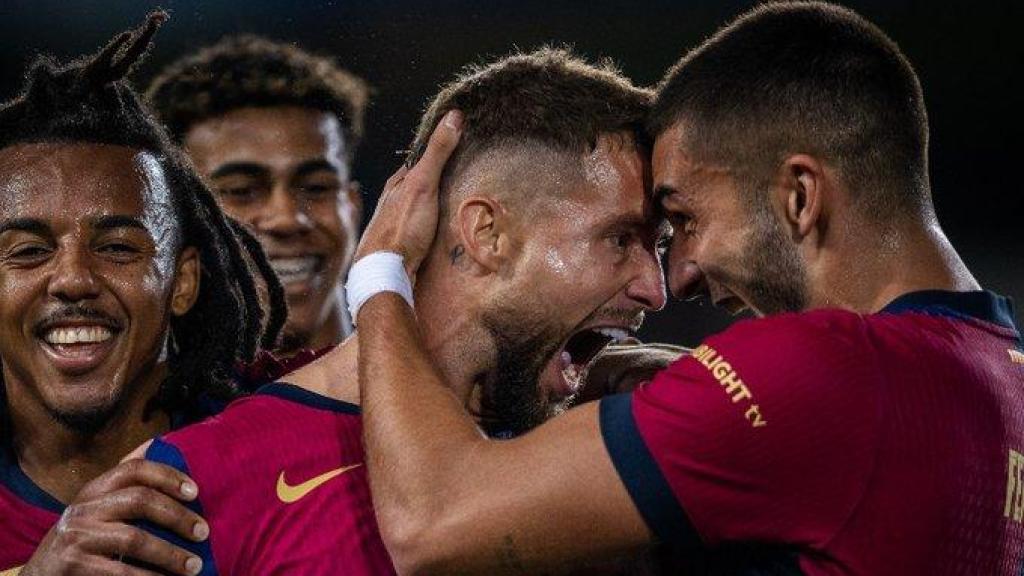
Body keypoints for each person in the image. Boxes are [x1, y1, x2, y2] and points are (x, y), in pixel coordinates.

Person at [349, 3, 1024, 575]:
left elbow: (431, 522)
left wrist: (380, 275)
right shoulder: (997, 369)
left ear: (799, 195)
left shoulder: (825, 370)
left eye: (685, 219)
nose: (681, 274)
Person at [137, 47, 668, 575]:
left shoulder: (599, 451)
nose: (655, 289)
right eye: (620, 239)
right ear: (487, 233)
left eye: (659, 246)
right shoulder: (196, 479)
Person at [0, 13, 284, 575]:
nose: (74, 280)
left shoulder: (290, 431)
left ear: (182, 282)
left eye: (119, 248)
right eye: (29, 251)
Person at [147, 36, 369, 354]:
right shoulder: (126, 399)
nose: (287, 218)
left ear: (352, 205)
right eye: (241, 191)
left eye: (317, 187)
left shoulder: (443, 391)